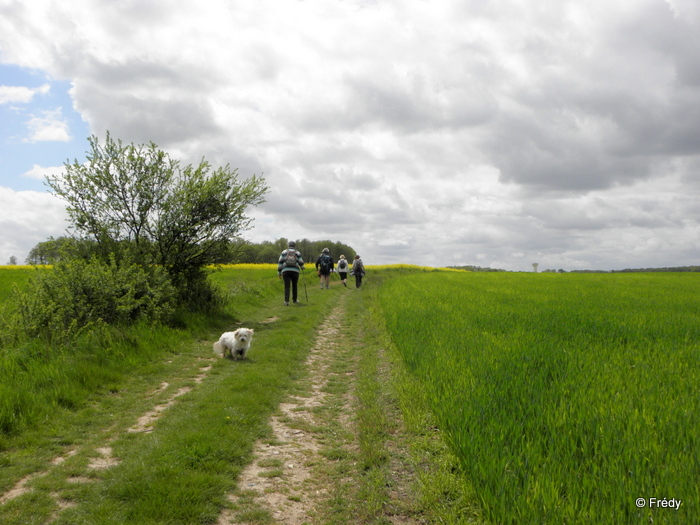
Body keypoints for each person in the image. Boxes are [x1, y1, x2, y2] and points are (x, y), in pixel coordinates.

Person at [277, 241, 305, 305]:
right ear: (295, 246)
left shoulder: (284, 252)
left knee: (287, 286)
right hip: (295, 271)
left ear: (288, 245)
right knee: (294, 285)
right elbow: (301, 262)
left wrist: (279, 272)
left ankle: (286, 301)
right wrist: (302, 267)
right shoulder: (297, 252)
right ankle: (295, 300)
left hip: (285, 270)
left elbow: (280, 262)